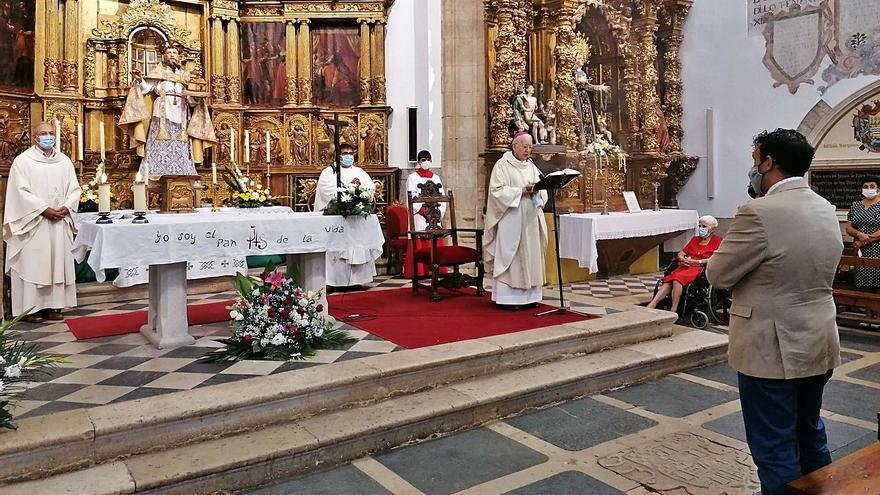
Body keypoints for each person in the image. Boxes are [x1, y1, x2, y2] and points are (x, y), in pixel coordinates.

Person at [706, 129, 843, 494]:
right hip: (817, 340)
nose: (753, 169)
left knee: (774, 447)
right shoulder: (825, 207)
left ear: (769, 163)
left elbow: (718, 274)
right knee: (810, 434)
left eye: (755, 161)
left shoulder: (758, 212)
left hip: (772, 348)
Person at [3, 122, 81, 322]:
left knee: (56, 263)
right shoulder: (23, 162)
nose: (48, 137)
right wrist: (43, 209)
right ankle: (31, 309)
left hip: (60, 221)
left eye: (51, 133)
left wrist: (68, 206)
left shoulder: (64, 161)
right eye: (43, 133)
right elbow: (19, 192)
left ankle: (53, 306)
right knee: (34, 264)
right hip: (34, 223)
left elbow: (74, 189)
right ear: (35, 137)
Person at [119, 45, 216, 179]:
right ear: (164, 56)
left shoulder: (186, 76)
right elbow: (146, 88)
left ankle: (182, 177)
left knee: (180, 145)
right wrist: (140, 79)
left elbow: (192, 101)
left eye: (174, 53)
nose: (171, 55)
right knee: (158, 143)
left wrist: (195, 97)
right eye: (168, 52)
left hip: (181, 114)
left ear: (179, 57)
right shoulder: (158, 72)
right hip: (161, 114)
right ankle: (152, 176)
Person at [484, 132, 548, 309]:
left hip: (531, 219)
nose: (528, 151)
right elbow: (496, 191)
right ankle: (509, 299)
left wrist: (538, 191)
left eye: (530, 147)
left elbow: (543, 190)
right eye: (525, 147)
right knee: (511, 255)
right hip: (512, 219)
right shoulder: (502, 165)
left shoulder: (532, 166)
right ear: (514, 146)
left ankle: (531, 297)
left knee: (532, 255)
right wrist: (521, 191)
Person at [313, 143, 377, 288]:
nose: (348, 156)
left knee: (358, 245)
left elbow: (370, 188)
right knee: (338, 249)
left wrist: (359, 193)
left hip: (357, 219)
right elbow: (326, 191)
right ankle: (336, 281)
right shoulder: (329, 172)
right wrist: (348, 192)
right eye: (344, 153)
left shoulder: (360, 171)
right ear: (338, 155)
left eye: (350, 153)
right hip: (337, 218)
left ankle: (357, 280)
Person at [646, 215, 722, 310]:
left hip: (700, 268)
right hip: (686, 266)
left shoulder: (718, 241)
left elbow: (716, 258)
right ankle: (653, 304)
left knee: (677, 279)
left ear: (713, 229)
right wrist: (682, 258)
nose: (701, 228)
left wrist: (697, 261)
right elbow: (681, 253)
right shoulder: (695, 239)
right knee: (669, 280)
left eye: (704, 226)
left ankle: (674, 308)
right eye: (699, 226)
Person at [404, 150, 447, 278]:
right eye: (423, 159)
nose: (426, 162)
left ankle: (436, 269)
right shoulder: (412, 178)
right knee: (420, 236)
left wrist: (438, 211)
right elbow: (411, 197)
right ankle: (420, 270)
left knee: (435, 238)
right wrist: (422, 210)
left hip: (434, 214)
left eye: (428, 159)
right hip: (419, 215)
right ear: (418, 162)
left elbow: (442, 195)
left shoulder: (435, 178)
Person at [845, 177, 880, 291]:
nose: (869, 189)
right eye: (866, 187)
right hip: (860, 251)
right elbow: (849, 228)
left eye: (872, 186)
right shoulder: (855, 205)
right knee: (862, 285)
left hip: (877, 249)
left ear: (878, 189)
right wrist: (859, 234)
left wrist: (863, 240)